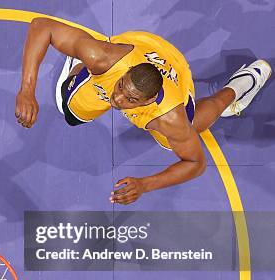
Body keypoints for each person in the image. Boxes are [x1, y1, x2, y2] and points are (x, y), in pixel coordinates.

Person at [16, 18, 271, 204]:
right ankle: (77, 58)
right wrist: (27, 90)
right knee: (69, 110)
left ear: (149, 100)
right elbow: (41, 26)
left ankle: (238, 88)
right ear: (124, 75)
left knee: (190, 128)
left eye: (130, 99)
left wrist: (144, 185)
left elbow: (196, 163)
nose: (117, 99)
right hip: (138, 46)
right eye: (121, 88)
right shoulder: (105, 59)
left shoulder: (168, 116)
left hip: (174, 69)